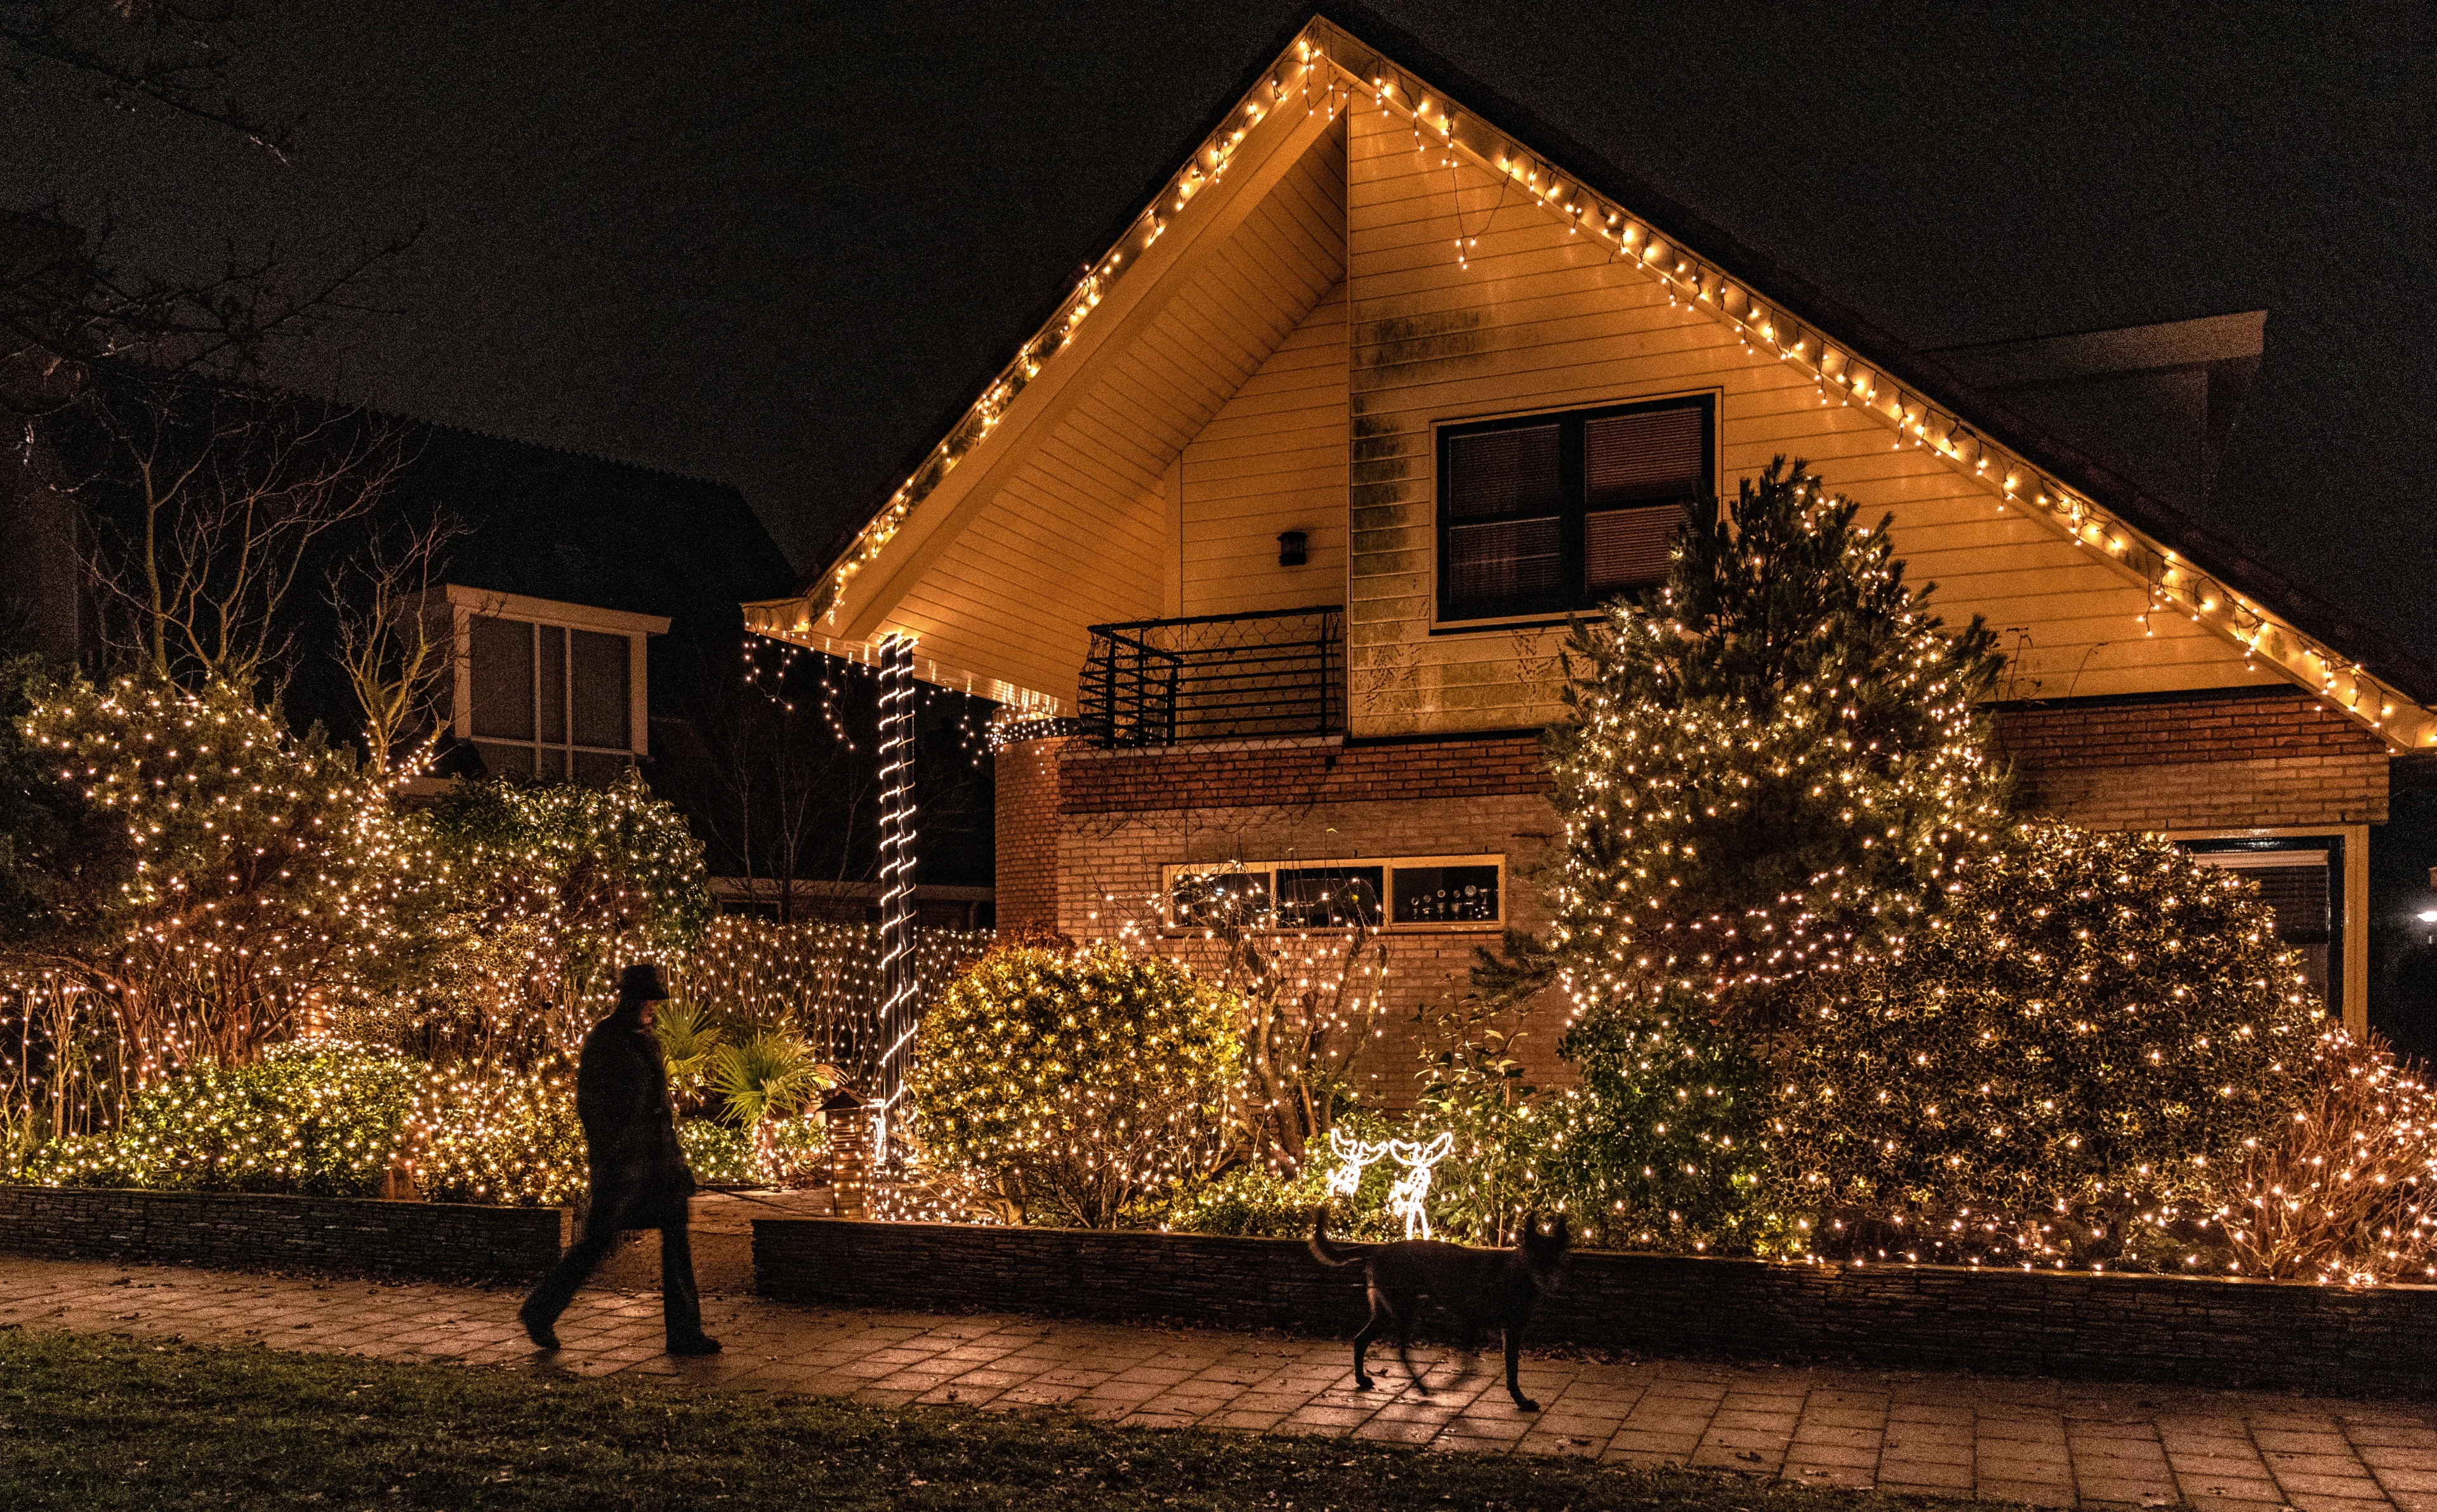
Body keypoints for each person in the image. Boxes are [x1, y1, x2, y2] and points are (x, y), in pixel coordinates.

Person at [519, 961, 721, 1355]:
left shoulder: (647, 1040)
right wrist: (617, 1158)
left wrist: (673, 1160)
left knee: (676, 1240)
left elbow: (659, 1108)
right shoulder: (607, 1040)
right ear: (629, 1000)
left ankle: (684, 1332)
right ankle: (540, 1310)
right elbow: (593, 1106)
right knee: (596, 1243)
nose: (649, 1008)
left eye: (651, 1001)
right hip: (622, 1166)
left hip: (657, 1165)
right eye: (645, 1000)